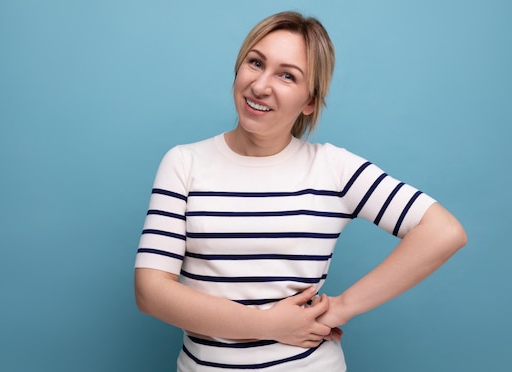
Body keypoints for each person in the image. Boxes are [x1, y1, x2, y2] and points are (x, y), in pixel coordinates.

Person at [134, 10, 467, 371]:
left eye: (287, 76)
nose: (261, 86)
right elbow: (151, 291)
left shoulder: (332, 168)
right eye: (255, 63)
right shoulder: (184, 163)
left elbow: (443, 231)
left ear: (309, 101)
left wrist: (342, 307)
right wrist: (267, 325)